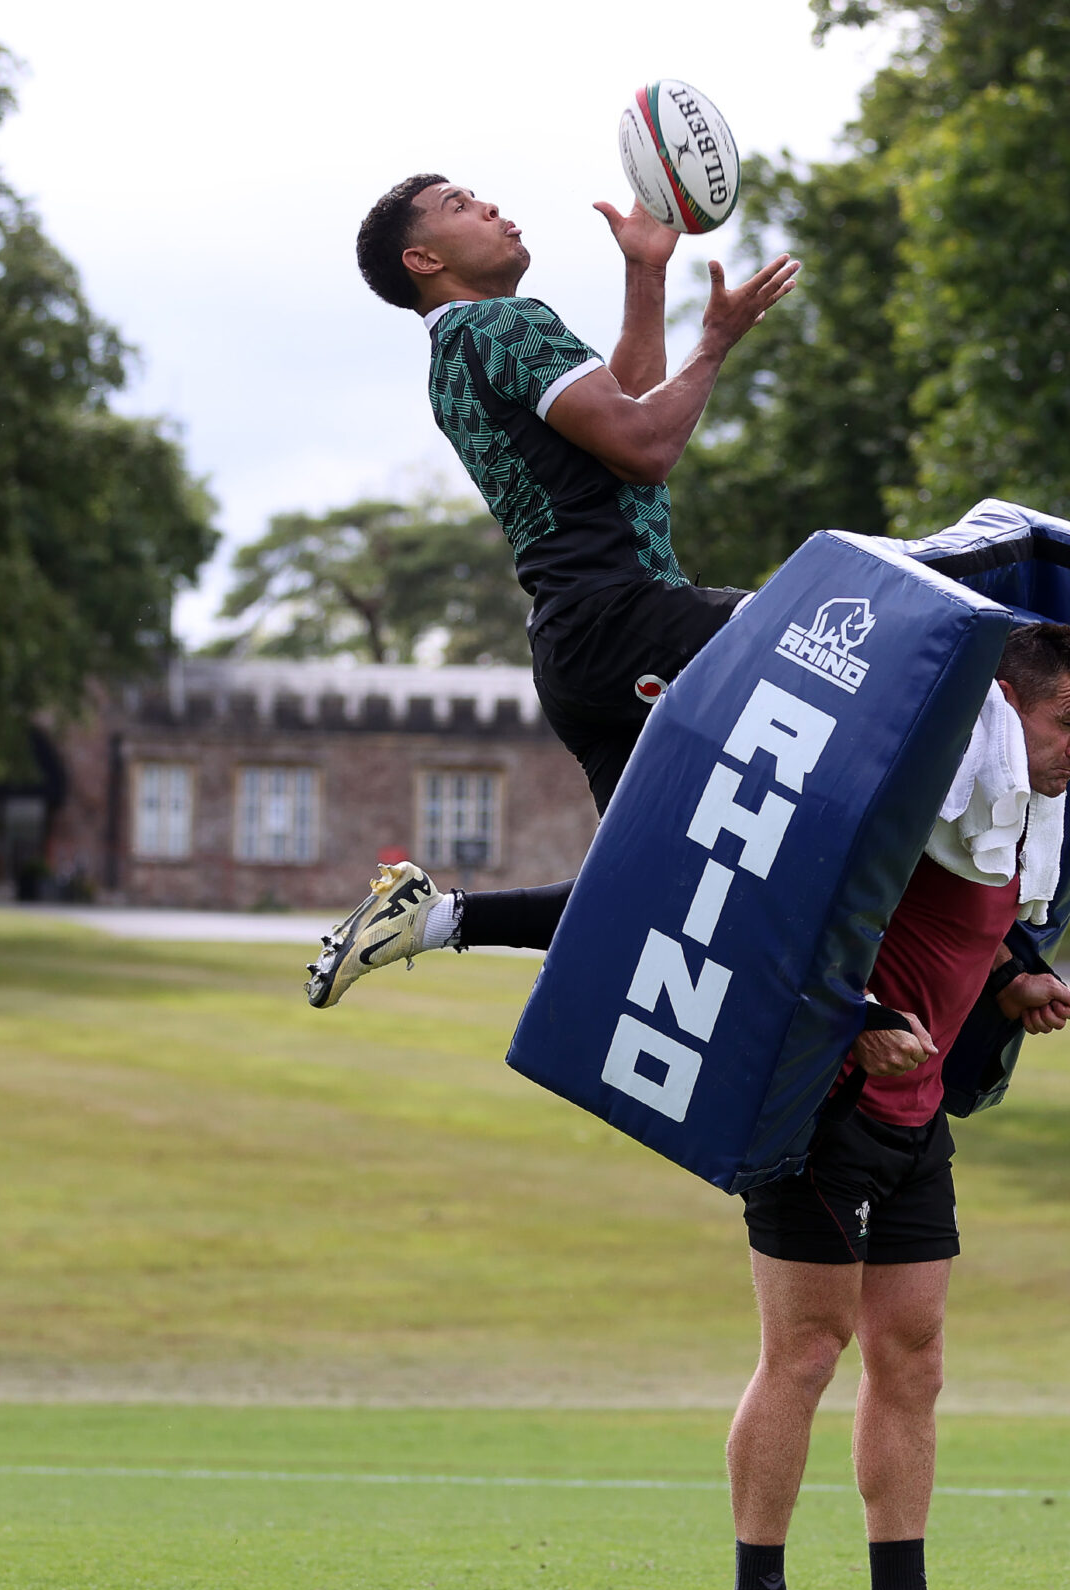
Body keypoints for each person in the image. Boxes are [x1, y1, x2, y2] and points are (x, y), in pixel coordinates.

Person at [715, 622, 1070, 1590]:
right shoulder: (906, 805)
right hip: (818, 1113)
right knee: (804, 1353)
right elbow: (784, 918)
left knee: (913, 1358)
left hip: (914, 1121)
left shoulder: (1009, 825)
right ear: (1003, 709)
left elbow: (952, 941)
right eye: (1066, 722)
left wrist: (1012, 981)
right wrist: (858, 1021)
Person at [308, 170, 794, 1008]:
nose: (491, 206)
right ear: (422, 258)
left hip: (578, 657)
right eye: (461, 206)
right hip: (625, 620)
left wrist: (645, 272)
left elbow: (621, 411)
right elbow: (644, 445)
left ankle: (437, 918)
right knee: (823, 635)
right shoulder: (507, 323)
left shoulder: (457, 353)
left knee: (653, 895)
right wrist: (715, 343)